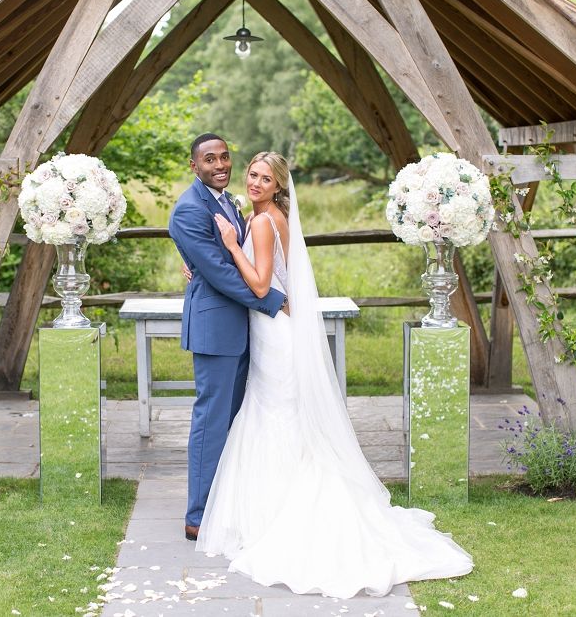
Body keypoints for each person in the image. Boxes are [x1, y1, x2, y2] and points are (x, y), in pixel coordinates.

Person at [194, 151, 472, 599]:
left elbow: (263, 286)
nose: (255, 182)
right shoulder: (263, 216)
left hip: (272, 333)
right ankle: (268, 509)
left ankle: (279, 513)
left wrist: (229, 245)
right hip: (271, 332)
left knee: (276, 417)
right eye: (252, 175)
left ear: (280, 185)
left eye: (265, 178)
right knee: (271, 416)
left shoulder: (264, 223)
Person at [168, 135, 287, 542]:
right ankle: (197, 516)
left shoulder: (227, 201)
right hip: (217, 330)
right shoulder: (188, 209)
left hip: (243, 328)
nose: (220, 164)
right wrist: (272, 300)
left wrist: (194, 262)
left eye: (224, 156)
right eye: (209, 159)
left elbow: (227, 255)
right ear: (193, 165)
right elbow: (219, 271)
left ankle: (228, 502)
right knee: (212, 422)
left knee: (238, 421)